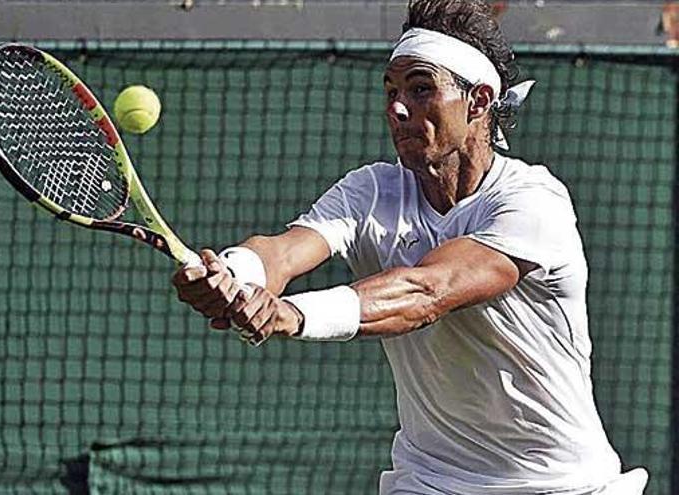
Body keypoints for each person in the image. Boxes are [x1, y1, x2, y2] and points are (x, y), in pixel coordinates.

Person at [172, 0, 648, 493]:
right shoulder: (371, 190)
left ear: (478, 102)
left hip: (562, 485)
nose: (397, 109)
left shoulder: (533, 202)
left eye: (421, 90)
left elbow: (426, 291)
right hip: (431, 480)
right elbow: (285, 252)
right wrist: (237, 275)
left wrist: (290, 315)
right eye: (392, 91)